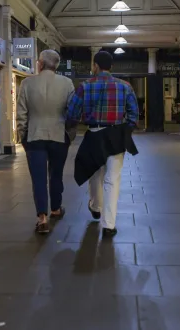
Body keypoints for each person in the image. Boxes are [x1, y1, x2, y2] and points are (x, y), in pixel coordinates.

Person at [67, 50, 139, 238]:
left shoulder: (84, 86)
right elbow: (134, 114)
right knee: (112, 179)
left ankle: (96, 206)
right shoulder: (125, 86)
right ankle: (109, 225)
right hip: (115, 135)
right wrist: (125, 130)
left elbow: (72, 113)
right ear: (111, 67)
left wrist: (73, 125)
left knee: (94, 173)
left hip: (94, 134)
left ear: (95, 66)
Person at [16, 49, 75, 234]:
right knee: (56, 174)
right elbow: (72, 112)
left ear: (40, 63)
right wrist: (69, 134)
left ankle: (42, 218)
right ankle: (56, 209)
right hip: (59, 136)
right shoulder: (67, 83)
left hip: (35, 136)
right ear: (56, 65)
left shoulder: (27, 83)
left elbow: (21, 113)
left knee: (38, 178)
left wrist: (22, 135)